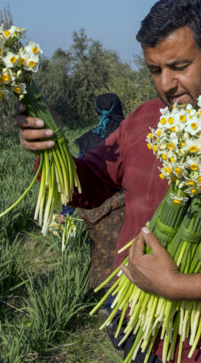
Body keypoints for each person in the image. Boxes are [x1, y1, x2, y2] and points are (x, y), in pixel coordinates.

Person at [16, 0, 201, 363]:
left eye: (179, 66)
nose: (166, 84)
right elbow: (84, 188)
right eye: (155, 70)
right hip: (134, 330)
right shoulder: (144, 120)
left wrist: (178, 287)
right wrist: (49, 149)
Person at [73, 93, 127, 289]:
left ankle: (108, 302)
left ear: (97, 111)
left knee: (103, 254)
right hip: (127, 205)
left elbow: (80, 178)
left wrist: (65, 211)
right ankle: (128, 304)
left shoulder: (89, 139)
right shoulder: (132, 132)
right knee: (130, 252)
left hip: (96, 209)